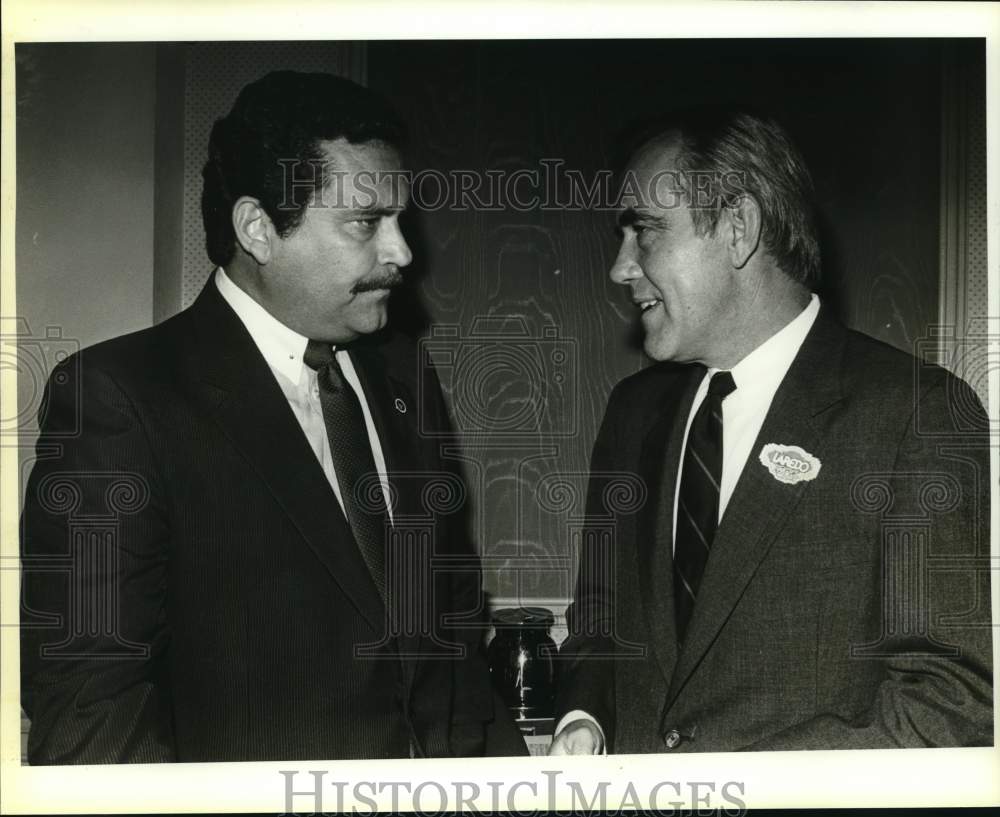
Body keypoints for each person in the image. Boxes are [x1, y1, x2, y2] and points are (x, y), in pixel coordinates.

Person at [20, 70, 524, 762]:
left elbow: (453, 638)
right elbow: (89, 711)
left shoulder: (404, 374)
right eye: (365, 222)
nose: (401, 251)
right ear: (258, 228)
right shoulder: (120, 399)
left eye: (400, 220)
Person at [549, 109, 993, 754]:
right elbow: (599, 622)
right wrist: (584, 718)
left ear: (738, 229)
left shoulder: (916, 414)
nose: (620, 268)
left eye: (644, 231)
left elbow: (949, 703)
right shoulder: (632, 413)